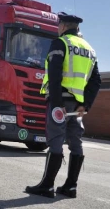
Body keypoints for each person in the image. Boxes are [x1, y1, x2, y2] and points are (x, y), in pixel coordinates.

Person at [25, 12, 101, 198]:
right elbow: (96, 80)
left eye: (59, 25)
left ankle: (47, 185)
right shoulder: (89, 49)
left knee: (56, 140)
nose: (58, 28)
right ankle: (70, 186)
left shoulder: (61, 43)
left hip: (61, 101)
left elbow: (55, 74)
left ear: (64, 26)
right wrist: (85, 105)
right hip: (77, 105)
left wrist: (58, 104)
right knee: (76, 142)